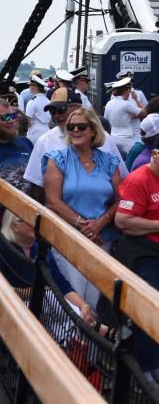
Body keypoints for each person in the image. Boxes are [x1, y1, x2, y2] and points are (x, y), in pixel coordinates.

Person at [42, 107, 122, 309]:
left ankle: (90, 340)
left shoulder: (109, 161)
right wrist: (83, 226)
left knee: (93, 300)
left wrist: (100, 224)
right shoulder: (57, 159)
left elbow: (120, 200)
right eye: (71, 127)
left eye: (81, 126)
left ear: (94, 130)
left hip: (100, 239)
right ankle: (70, 340)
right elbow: (52, 200)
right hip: (68, 238)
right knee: (74, 300)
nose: (75, 130)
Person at [0, 210, 95, 327]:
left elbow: (61, 284)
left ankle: (99, 332)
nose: (36, 224)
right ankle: (103, 332)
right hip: (15, 312)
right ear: (15, 226)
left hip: (45, 307)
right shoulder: (1, 250)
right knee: (53, 302)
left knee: (76, 313)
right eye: (30, 220)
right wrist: (36, 290)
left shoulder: (40, 248)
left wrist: (83, 305)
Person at [115, 148, 159, 380]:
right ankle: (146, 370)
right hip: (145, 255)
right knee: (149, 310)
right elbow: (123, 221)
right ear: (155, 154)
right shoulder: (139, 179)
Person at [104, 76, 147, 157]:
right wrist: (136, 99)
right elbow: (143, 113)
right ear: (126, 90)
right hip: (126, 138)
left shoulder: (109, 103)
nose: (129, 93)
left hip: (113, 136)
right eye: (129, 91)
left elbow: (106, 120)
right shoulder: (126, 104)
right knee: (130, 159)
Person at [25, 75, 51, 145]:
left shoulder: (32, 102)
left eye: (30, 85)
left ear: (36, 87)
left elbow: (28, 120)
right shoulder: (48, 101)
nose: (29, 87)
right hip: (47, 131)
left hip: (35, 133)